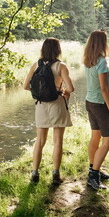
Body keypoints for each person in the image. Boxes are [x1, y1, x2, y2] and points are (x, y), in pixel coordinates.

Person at [23, 37, 74, 185]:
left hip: (40, 105)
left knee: (40, 141)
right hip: (57, 104)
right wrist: (62, 90)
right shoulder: (61, 66)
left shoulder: (36, 65)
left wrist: (41, 91)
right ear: (58, 50)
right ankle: (55, 175)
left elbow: (26, 86)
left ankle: (34, 174)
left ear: (43, 49)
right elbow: (70, 88)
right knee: (58, 140)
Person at [83, 30, 109, 190]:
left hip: (90, 102)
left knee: (95, 137)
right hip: (100, 104)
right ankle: (93, 175)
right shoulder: (102, 61)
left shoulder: (88, 59)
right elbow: (104, 89)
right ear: (102, 43)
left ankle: (94, 168)